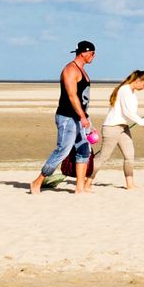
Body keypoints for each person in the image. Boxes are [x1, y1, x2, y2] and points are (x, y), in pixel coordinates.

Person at [30, 40, 97, 197]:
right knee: (62, 151)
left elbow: (82, 98)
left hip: (80, 118)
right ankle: (37, 181)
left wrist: (86, 117)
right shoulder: (70, 70)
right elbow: (72, 96)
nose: (94, 56)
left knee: (83, 150)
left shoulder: (82, 70)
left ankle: (79, 187)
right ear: (84, 52)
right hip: (67, 118)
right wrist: (82, 116)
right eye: (93, 53)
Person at [98, 70, 144, 188]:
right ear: (137, 80)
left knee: (129, 156)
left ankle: (130, 184)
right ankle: (85, 181)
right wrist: (143, 123)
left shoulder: (131, 92)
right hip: (112, 127)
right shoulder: (125, 90)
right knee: (103, 157)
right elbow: (128, 112)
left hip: (123, 128)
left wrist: (141, 122)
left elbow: (129, 112)